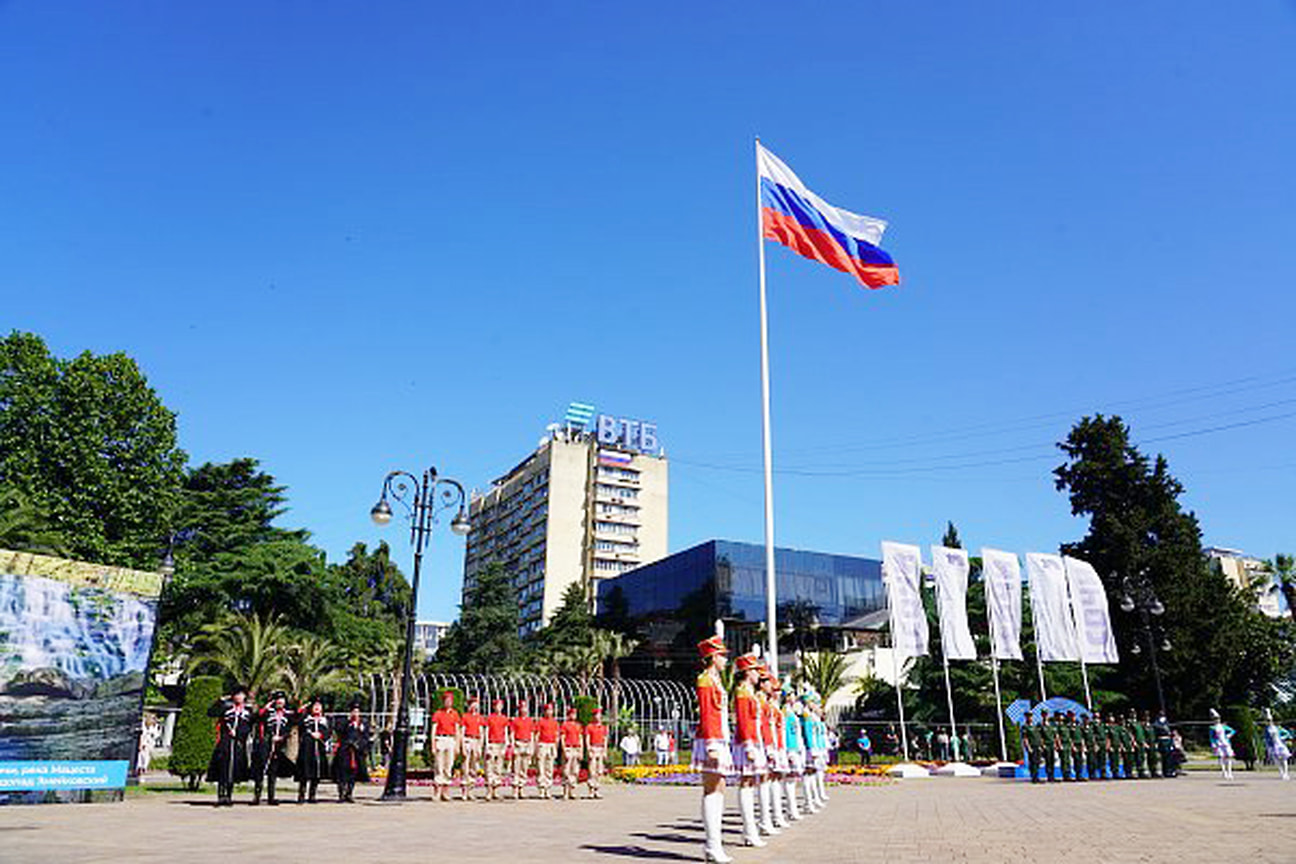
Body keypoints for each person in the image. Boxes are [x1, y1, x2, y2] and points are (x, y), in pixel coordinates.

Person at [692, 634, 733, 863]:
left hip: (720, 738)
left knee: (719, 789)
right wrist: (711, 744)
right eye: (723, 656)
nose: (726, 660)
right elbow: (707, 713)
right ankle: (711, 846)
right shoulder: (705, 680)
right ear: (713, 656)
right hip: (712, 739)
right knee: (712, 789)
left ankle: (714, 844)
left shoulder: (715, 680)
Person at [732, 653, 768, 848]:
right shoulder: (742, 692)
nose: (757, 674)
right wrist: (748, 745)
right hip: (747, 742)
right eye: (754, 670)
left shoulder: (749, 692)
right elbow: (744, 721)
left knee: (750, 784)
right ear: (746, 672)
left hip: (754, 741)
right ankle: (749, 830)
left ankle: (751, 830)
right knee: (746, 785)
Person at [206, 685, 254, 806]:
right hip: (225, 742)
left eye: (241, 695)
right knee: (223, 768)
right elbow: (211, 713)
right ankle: (221, 795)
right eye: (236, 694)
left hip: (238, 743)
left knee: (234, 770)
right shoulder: (226, 709)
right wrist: (220, 700)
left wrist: (239, 734)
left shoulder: (248, 711)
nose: (239, 697)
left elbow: (250, 726)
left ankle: (229, 795)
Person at [251, 690, 295, 805]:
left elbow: (289, 728)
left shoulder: (288, 714)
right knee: (261, 770)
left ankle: (271, 796)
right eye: (278, 700)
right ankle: (257, 796)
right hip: (266, 744)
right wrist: (265, 708)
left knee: (273, 772)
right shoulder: (268, 713)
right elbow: (257, 718)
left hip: (279, 746)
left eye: (282, 699)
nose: (280, 702)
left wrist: (282, 737)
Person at [332, 701, 371, 803]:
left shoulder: (363, 724)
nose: (355, 713)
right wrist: (349, 723)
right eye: (353, 711)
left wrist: (361, 746)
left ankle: (349, 793)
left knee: (353, 774)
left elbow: (366, 737)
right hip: (345, 751)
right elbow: (339, 732)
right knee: (342, 773)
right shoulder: (345, 722)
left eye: (357, 712)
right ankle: (341, 793)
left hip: (357, 751)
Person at [295, 697, 330, 804]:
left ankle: (312, 795)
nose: (317, 708)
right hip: (307, 749)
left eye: (319, 706)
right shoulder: (306, 719)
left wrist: (321, 735)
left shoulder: (324, 720)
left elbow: (328, 733)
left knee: (316, 773)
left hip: (319, 749)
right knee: (304, 773)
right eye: (315, 706)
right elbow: (297, 725)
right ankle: (301, 795)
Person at [430, 690, 460, 802]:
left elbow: (457, 731)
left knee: (449, 766)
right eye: (446, 700)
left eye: (450, 700)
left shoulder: (455, 714)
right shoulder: (438, 713)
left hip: (450, 739)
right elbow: (433, 730)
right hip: (440, 739)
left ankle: (446, 791)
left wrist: (457, 745)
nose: (448, 702)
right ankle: (437, 791)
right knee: (439, 765)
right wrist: (433, 744)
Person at [782, 690, 805, 822]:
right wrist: (788, 750)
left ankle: (792, 807)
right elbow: (785, 733)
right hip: (790, 748)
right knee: (789, 780)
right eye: (791, 695)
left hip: (795, 747)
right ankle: (791, 808)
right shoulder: (786, 712)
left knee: (793, 780)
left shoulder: (792, 712)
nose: (793, 697)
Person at [484, 698, 512, 800]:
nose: (498, 708)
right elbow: (486, 732)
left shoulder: (504, 718)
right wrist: (487, 745)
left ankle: (495, 790)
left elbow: (505, 732)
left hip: (501, 744)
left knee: (498, 768)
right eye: (496, 706)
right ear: (493, 707)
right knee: (489, 767)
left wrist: (506, 744)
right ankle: (489, 791)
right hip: (492, 743)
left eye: (500, 706)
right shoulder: (490, 718)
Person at [460, 695, 485, 800]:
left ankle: (471, 790)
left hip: (476, 741)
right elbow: (462, 731)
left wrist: (480, 746)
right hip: (467, 740)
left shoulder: (479, 717)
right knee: (465, 766)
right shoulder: (465, 717)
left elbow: (481, 732)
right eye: (473, 704)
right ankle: (464, 790)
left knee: (474, 767)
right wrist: (462, 745)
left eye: (476, 705)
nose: (475, 707)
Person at [510, 699, 536, 800]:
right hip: (518, 743)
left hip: (527, 743)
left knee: (524, 768)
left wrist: (532, 746)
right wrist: (512, 745)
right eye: (522, 707)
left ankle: (522, 788)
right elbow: (512, 733)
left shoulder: (530, 721)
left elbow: (532, 734)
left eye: (525, 707)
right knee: (516, 767)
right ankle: (515, 790)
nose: (524, 709)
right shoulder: (515, 720)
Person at [535, 702, 561, 799]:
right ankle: (541, 789)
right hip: (542, 744)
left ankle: (548, 789)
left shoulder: (555, 722)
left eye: (551, 710)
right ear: (544, 711)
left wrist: (555, 747)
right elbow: (537, 735)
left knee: (549, 768)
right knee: (541, 767)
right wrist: (536, 747)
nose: (550, 712)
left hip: (551, 745)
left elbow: (557, 735)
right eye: (548, 710)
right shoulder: (541, 721)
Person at [560, 705, 584, 800]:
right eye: (572, 714)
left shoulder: (578, 725)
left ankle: (572, 791)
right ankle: (565, 791)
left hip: (576, 748)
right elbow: (562, 738)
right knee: (566, 771)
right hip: (568, 748)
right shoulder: (565, 725)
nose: (574, 715)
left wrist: (581, 751)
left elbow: (580, 738)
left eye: (575, 714)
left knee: (575, 771)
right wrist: (564, 750)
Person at [585, 706, 609, 799]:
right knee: (592, 770)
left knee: (599, 771)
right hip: (593, 748)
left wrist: (605, 751)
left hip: (600, 748)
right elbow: (587, 739)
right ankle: (591, 790)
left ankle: (597, 790)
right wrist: (589, 750)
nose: (597, 717)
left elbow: (605, 739)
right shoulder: (589, 727)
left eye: (598, 715)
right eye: (595, 715)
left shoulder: (603, 727)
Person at [1262, 709, 1291, 781]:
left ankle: (1286, 773)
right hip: (1273, 746)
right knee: (1277, 760)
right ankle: (1281, 772)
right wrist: (1267, 744)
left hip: (1280, 744)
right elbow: (1265, 738)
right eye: (1267, 721)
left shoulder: (1278, 728)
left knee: (1284, 759)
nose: (1269, 722)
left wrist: (1282, 738)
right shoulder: (1266, 729)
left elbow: (1287, 734)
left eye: (1270, 721)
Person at [1208, 708, 1236, 780]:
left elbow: (1233, 731)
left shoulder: (1223, 726)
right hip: (1218, 744)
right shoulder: (1212, 728)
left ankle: (1230, 772)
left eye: (1217, 719)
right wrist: (1213, 743)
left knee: (1229, 757)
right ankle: (1224, 772)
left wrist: (1229, 735)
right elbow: (1211, 737)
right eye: (1215, 719)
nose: (1216, 720)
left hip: (1226, 743)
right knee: (1221, 757)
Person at [1152, 712, 1176, 778]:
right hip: (1162, 741)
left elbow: (1170, 731)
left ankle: (1170, 771)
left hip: (1169, 741)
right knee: (1164, 757)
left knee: (1170, 756)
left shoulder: (1167, 723)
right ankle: (1165, 771)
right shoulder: (1157, 724)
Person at [1021, 712, 1040, 783]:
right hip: (1031, 746)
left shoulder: (1035, 726)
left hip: (1037, 746)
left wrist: (1040, 745)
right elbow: (1025, 738)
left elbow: (1039, 737)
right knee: (1033, 762)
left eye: (1031, 716)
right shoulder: (1025, 727)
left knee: (1037, 762)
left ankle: (1037, 776)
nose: (1030, 718)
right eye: (1028, 717)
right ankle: (1034, 777)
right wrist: (1028, 747)